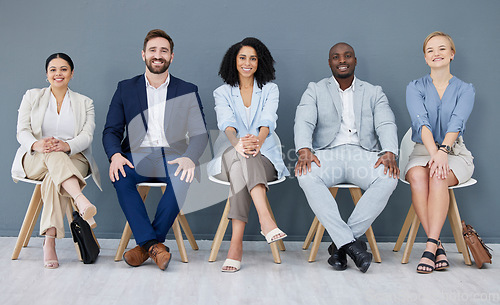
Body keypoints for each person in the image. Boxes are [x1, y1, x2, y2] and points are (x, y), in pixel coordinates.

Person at [102, 29, 208, 271]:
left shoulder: (187, 89)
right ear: (143, 55)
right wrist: (115, 155)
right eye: (152, 50)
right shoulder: (125, 88)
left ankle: (145, 246)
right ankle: (155, 247)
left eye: (163, 51)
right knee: (120, 174)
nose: (157, 55)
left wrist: (190, 158)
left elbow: (200, 133)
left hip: (173, 158)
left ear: (172, 56)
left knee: (184, 175)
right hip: (137, 158)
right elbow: (111, 130)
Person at [294, 43, 399, 273]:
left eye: (347, 56)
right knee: (306, 174)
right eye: (336, 57)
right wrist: (304, 150)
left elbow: (385, 123)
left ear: (355, 60)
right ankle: (352, 245)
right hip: (327, 154)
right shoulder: (315, 89)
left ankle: (341, 246)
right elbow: (304, 120)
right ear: (330, 62)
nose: (342, 60)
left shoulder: (374, 92)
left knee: (389, 177)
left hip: (363, 154)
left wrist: (389, 152)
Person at [12, 53, 102, 269]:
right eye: (53, 69)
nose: (58, 73)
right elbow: (22, 131)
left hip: (74, 158)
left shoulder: (85, 102)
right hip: (35, 158)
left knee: (55, 173)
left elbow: (87, 136)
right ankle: (80, 199)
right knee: (53, 154)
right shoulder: (32, 96)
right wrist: (38, 145)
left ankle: (49, 241)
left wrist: (66, 145)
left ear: (71, 73)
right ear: (46, 74)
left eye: (63, 69)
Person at [207, 37, 289, 272]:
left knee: (243, 166)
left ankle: (235, 246)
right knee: (241, 157)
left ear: (259, 62)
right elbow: (226, 123)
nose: (247, 62)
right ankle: (266, 220)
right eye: (242, 57)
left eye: (253, 58)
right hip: (230, 152)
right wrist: (238, 144)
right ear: (234, 61)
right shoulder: (222, 92)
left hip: (265, 157)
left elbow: (268, 120)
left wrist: (258, 142)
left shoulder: (270, 89)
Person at [405, 31, 475, 274]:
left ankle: (429, 246)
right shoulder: (414, 87)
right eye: (430, 50)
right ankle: (438, 245)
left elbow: (457, 122)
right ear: (425, 58)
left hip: (455, 153)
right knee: (416, 175)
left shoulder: (466, 89)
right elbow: (421, 123)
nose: (436, 54)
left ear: (452, 54)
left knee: (437, 176)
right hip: (423, 150)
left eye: (442, 49)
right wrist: (435, 153)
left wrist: (443, 151)